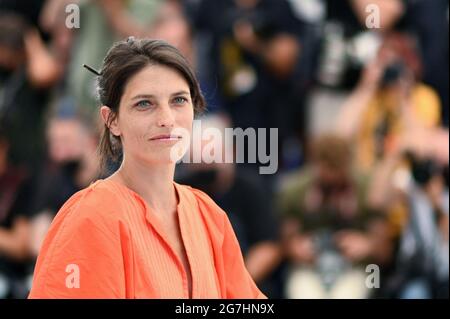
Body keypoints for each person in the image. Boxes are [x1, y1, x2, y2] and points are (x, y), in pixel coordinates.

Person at [28, 37, 266, 299]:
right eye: (144, 103)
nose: (167, 119)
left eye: (178, 100)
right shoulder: (91, 217)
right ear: (112, 120)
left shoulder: (209, 215)